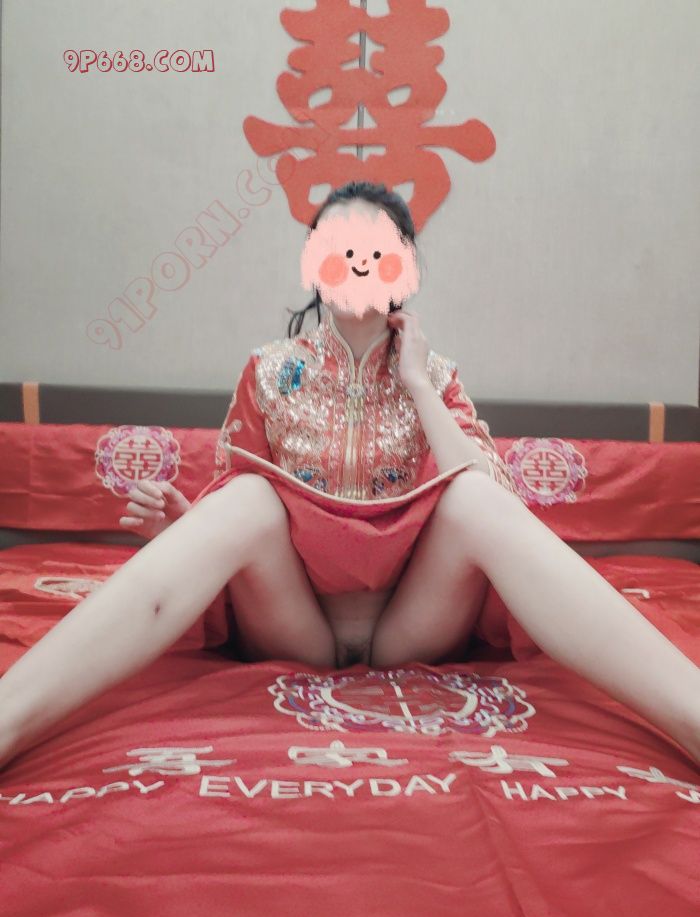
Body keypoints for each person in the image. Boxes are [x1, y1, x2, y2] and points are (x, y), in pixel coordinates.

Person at [0, 180, 698, 774]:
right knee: (247, 499)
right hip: (294, 624)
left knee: (474, 500)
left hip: (412, 625)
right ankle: (9, 718)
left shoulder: (439, 377)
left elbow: (493, 497)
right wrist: (182, 529)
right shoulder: (269, 373)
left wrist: (417, 381)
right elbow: (236, 524)